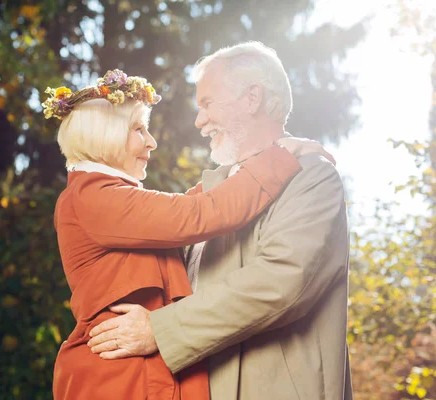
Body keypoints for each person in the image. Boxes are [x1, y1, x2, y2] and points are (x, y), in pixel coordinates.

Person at [44, 69, 334, 400]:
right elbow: (198, 214)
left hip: (145, 372)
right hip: (120, 376)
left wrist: (240, 171)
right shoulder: (93, 197)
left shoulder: (106, 197)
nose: (151, 142)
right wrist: (278, 159)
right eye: (139, 130)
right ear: (104, 136)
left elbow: (185, 206)